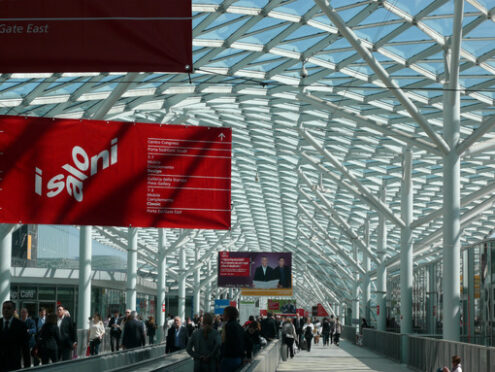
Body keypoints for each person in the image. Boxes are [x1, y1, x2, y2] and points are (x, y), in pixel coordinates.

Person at [0, 300, 29, 372]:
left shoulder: (21, 325)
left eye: (8, 308)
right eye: (4, 308)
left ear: (14, 310)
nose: (5, 310)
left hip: (13, 363)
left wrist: (27, 366)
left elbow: (25, 347)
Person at [220, 306, 244, 372]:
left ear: (228, 315)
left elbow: (223, 341)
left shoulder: (228, 326)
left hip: (228, 359)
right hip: (238, 358)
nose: (222, 315)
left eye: (224, 313)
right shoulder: (239, 326)